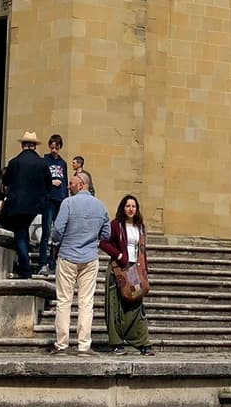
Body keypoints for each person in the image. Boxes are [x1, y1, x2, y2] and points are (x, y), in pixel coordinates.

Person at [48, 170, 112, 354]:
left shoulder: (68, 203)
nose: (69, 186)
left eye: (72, 183)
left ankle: (62, 344)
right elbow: (106, 233)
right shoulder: (101, 206)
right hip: (90, 257)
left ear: (82, 184)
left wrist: (58, 241)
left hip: (68, 255)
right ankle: (84, 345)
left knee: (64, 300)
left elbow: (57, 230)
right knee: (86, 302)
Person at [103, 193, 154, 355]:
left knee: (136, 303)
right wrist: (118, 255)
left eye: (133, 206)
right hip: (118, 269)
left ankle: (142, 342)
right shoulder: (116, 225)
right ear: (123, 208)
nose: (131, 209)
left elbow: (142, 250)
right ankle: (116, 342)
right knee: (115, 305)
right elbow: (103, 242)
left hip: (133, 270)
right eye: (128, 206)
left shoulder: (140, 226)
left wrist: (144, 269)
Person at [0, 131, 54, 277]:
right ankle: (24, 264)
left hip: (17, 203)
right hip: (35, 205)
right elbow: (49, 184)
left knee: (20, 233)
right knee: (23, 232)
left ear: (23, 145)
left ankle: (25, 266)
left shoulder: (14, 162)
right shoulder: (42, 163)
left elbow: (6, 181)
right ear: (35, 146)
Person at [39, 134, 71, 274]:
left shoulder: (63, 163)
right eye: (52, 147)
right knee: (46, 231)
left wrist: (66, 200)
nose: (54, 150)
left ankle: (54, 262)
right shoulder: (45, 161)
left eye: (56, 148)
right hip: (49, 199)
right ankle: (42, 263)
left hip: (60, 199)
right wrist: (51, 182)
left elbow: (65, 181)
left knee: (58, 233)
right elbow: (40, 179)